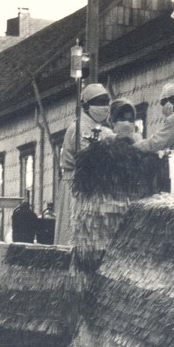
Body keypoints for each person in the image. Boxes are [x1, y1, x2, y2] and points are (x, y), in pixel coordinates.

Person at [55, 83, 115, 245]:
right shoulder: (78, 128)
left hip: (93, 184)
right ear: (87, 105)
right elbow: (88, 158)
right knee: (73, 229)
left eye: (106, 102)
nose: (105, 107)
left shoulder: (102, 129)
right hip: (76, 183)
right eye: (100, 102)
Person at [133, 83, 174, 153]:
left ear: (173, 99)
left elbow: (155, 143)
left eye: (163, 104)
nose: (163, 108)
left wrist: (133, 147)